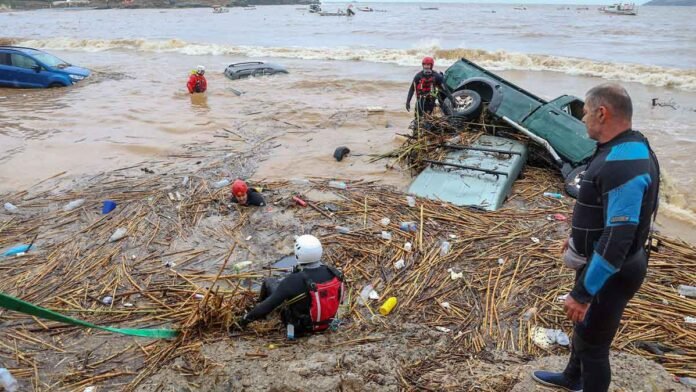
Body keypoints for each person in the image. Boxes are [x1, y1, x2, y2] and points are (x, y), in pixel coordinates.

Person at [532, 84, 660, 392]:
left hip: (613, 271)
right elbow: (606, 209)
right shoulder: (627, 146)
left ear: (602, 113)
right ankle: (572, 378)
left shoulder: (624, 165)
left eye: (585, 112)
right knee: (583, 329)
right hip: (602, 261)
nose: (583, 119)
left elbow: (618, 238)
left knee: (593, 345)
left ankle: (584, 382)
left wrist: (583, 292)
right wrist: (578, 239)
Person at [234, 235, 344, 336]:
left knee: (269, 282)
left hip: (300, 329)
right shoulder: (333, 272)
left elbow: (267, 306)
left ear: (298, 253)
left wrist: (242, 321)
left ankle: (262, 315)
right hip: (327, 324)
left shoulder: (293, 281)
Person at [405, 56, 454, 121]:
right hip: (420, 101)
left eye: (428, 65)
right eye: (425, 65)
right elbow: (412, 89)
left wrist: (452, 100)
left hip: (431, 101)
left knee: (427, 118)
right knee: (418, 119)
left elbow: (445, 89)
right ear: (423, 65)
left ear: (431, 66)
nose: (426, 66)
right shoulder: (418, 76)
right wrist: (408, 102)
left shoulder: (437, 76)